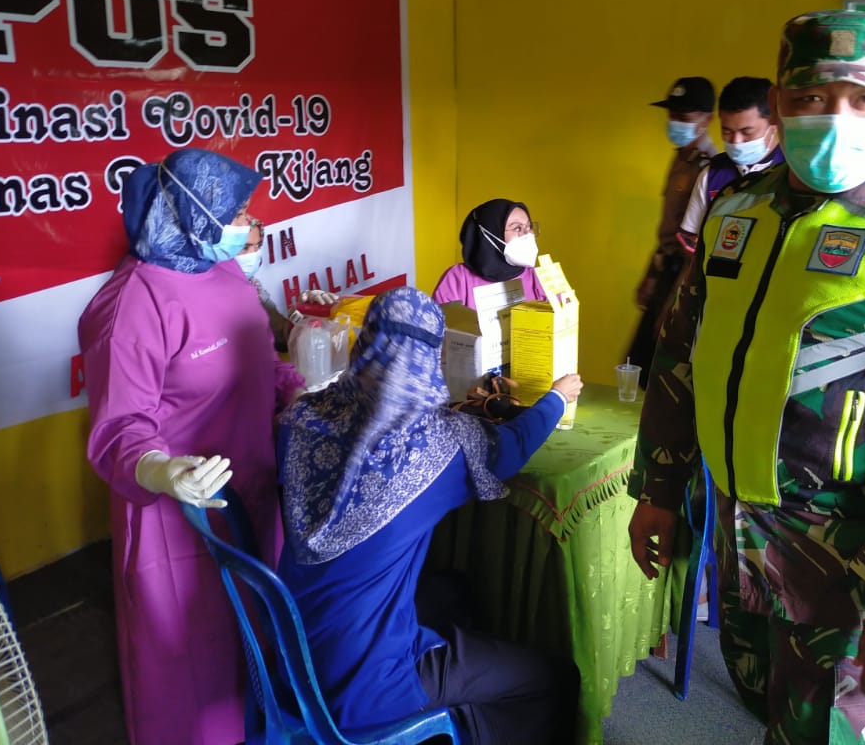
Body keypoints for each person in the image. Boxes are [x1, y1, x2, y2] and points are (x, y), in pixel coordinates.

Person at [627, 10, 865, 744]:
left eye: (861, 99)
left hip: (855, 562)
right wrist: (659, 485)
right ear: (780, 103)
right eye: (811, 98)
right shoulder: (735, 210)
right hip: (740, 538)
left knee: (836, 730)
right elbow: (681, 355)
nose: (835, 117)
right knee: (769, 708)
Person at [276, 286, 582, 744]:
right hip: (366, 685)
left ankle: (456, 707)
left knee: (455, 589)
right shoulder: (438, 448)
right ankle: (459, 729)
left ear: (364, 343)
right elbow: (511, 447)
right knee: (555, 676)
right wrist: (556, 398)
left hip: (292, 653)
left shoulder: (301, 420)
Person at [79, 147, 306, 745]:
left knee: (253, 634)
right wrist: (162, 470)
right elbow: (120, 426)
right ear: (193, 215)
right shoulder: (131, 304)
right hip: (179, 511)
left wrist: (300, 389)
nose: (248, 225)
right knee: (187, 659)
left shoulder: (223, 272)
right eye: (237, 214)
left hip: (252, 487)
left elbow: (259, 359)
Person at [628, 76, 718, 387]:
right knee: (637, 364)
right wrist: (650, 276)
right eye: (672, 115)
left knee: (660, 370)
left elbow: (694, 245)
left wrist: (673, 303)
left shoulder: (707, 169)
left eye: (683, 116)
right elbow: (668, 231)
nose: (674, 122)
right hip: (665, 270)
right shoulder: (680, 159)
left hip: (683, 277)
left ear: (707, 119)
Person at [677, 76, 783, 251]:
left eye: (746, 132)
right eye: (727, 131)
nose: (736, 141)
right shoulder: (712, 175)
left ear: (774, 122)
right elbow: (693, 240)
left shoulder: (794, 172)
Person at [433, 199, 548, 309]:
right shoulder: (457, 279)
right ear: (490, 234)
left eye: (529, 226)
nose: (528, 235)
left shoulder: (540, 278)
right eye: (517, 228)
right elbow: (439, 321)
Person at [237, 217, 291, 352]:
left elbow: (279, 333)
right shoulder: (207, 293)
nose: (254, 254)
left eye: (258, 246)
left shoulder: (253, 285)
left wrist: (307, 316)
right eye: (245, 248)